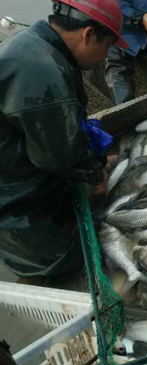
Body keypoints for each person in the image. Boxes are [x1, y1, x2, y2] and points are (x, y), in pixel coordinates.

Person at [0, 0, 126, 281]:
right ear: (88, 34)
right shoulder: (41, 69)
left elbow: (63, 130)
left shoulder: (38, 45)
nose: (106, 56)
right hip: (12, 204)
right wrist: (96, 174)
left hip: (26, 175)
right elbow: (58, 155)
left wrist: (97, 161)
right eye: (107, 46)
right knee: (67, 265)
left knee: (84, 231)